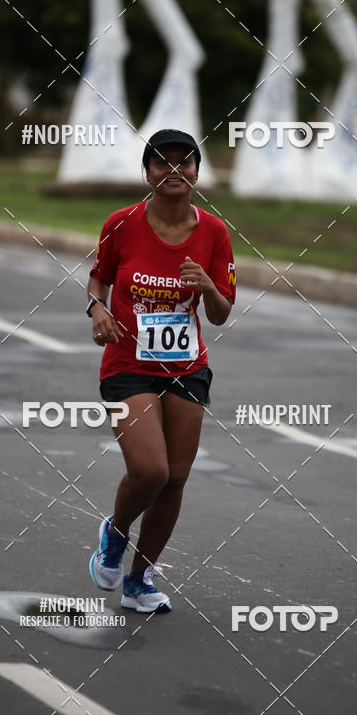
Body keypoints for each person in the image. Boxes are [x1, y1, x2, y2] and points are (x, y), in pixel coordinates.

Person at [86, 128, 236, 613]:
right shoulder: (122, 224)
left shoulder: (215, 232)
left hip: (187, 368)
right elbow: (99, 278)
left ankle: (138, 581)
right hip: (127, 365)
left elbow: (220, 313)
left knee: (175, 480)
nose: (173, 171)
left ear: (197, 170)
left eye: (184, 162)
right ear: (147, 173)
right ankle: (115, 529)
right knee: (150, 471)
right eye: (161, 163)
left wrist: (209, 286)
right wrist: (97, 310)